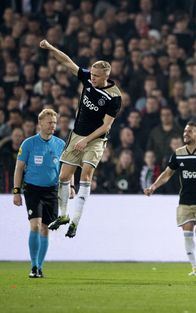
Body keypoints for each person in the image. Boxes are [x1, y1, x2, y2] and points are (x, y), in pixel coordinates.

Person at [40, 39, 122, 238]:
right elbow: (68, 62)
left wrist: (87, 140)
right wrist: (50, 47)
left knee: (85, 176)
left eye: (96, 76)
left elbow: (106, 125)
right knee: (64, 177)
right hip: (77, 134)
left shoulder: (114, 97)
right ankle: (64, 216)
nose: (92, 78)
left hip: (96, 139)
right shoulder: (87, 78)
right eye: (91, 74)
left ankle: (75, 221)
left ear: (106, 76)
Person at [144, 122, 196, 276]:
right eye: (185, 131)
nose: (185, 134)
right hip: (185, 201)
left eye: (190, 131)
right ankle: (195, 267)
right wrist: (153, 186)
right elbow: (167, 173)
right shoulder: (178, 153)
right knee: (187, 234)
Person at [13, 109, 69, 278]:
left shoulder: (60, 144)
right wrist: (16, 191)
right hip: (32, 190)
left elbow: (67, 168)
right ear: (40, 124)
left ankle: (39, 266)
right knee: (35, 225)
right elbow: (19, 168)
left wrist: (70, 186)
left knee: (46, 229)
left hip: (52, 191)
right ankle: (33, 266)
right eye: (49, 122)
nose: (53, 125)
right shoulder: (28, 144)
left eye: (54, 122)